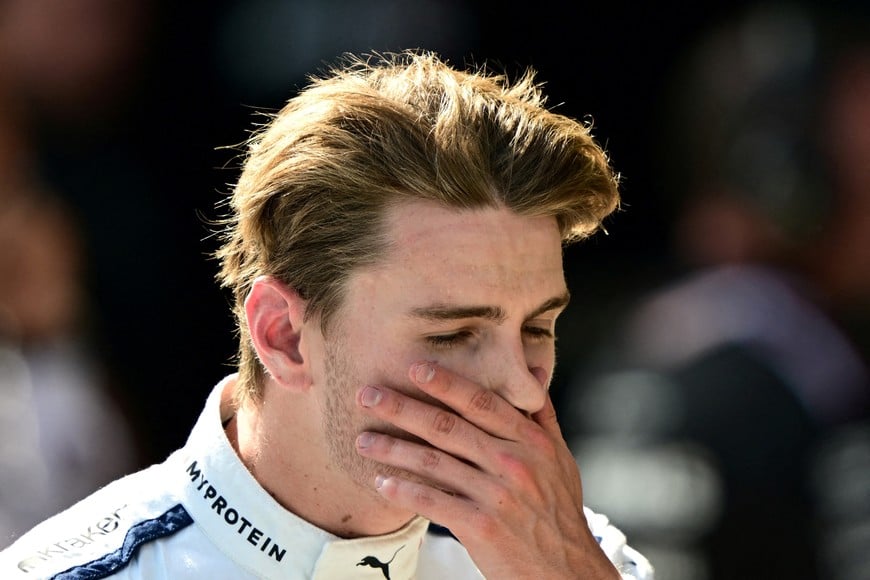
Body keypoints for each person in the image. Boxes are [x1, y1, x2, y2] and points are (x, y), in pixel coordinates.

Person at [0, 50, 653, 579]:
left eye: (538, 328)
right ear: (283, 337)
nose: (520, 385)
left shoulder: (580, 560)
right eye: (452, 334)